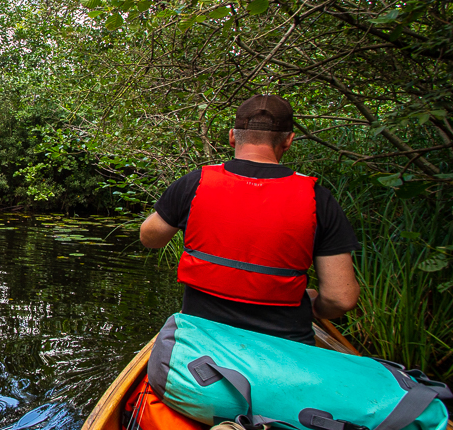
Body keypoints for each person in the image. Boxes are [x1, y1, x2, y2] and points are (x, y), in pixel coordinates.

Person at [139, 95, 361, 344]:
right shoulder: (319, 199)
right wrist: (316, 307)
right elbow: (341, 298)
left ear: (233, 135)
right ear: (288, 141)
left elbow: (150, 237)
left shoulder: (195, 183)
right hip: (284, 347)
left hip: (202, 344)